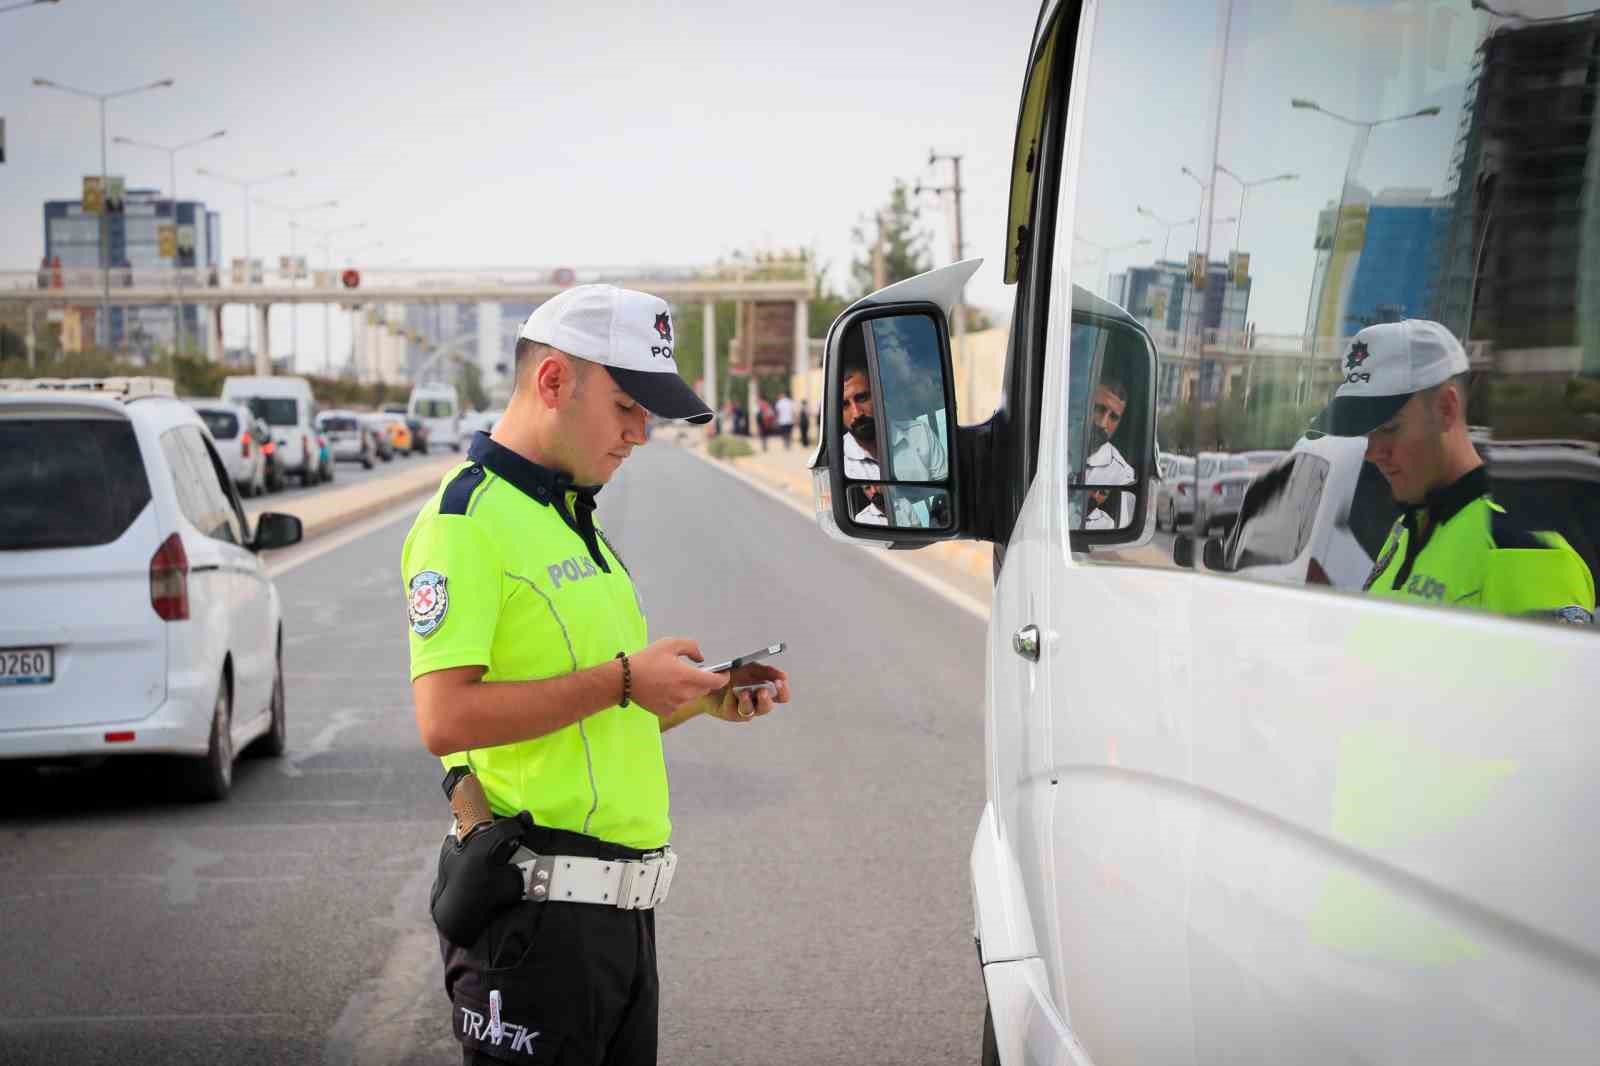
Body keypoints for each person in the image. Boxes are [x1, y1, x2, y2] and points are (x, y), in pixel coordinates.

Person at [402, 283, 793, 1065]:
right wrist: (622, 680)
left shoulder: (568, 516)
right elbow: (444, 718)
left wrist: (701, 697)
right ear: (553, 382)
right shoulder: (465, 522)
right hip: (535, 927)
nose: (641, 433)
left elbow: (590, 714)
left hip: (618, 926)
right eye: (625, 407)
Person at [1323, 319, 1593, 621]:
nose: (1372, 453)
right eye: (1367, 432)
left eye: (1389, 427)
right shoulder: (1407, 527)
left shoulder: (1521, 547)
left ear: (1446, 409)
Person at [1078, 376, 1135, 529]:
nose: (1103, 423)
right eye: (1099, 409)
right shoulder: (1052, 445)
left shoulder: (1122, 475)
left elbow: (1118, 536)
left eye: (1113, 417)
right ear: (1085, 404)